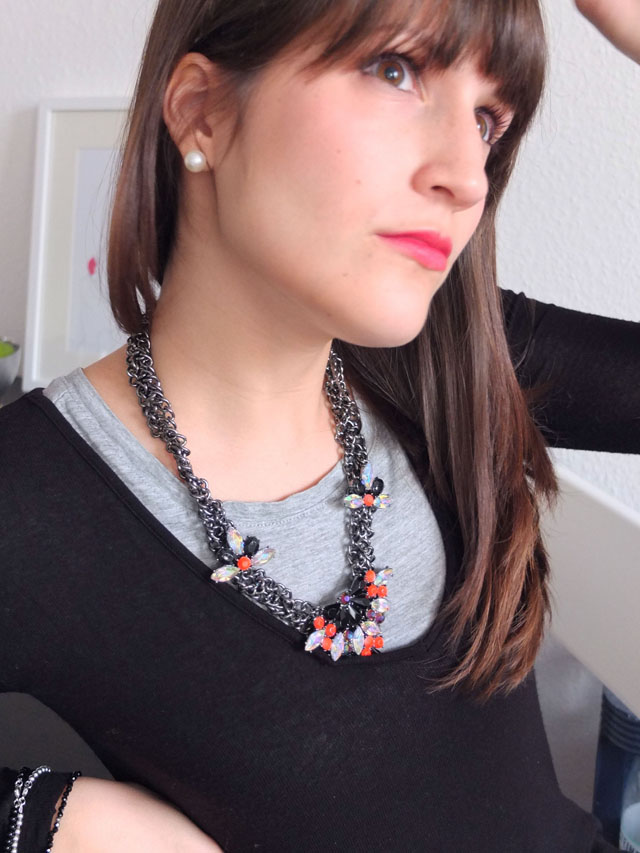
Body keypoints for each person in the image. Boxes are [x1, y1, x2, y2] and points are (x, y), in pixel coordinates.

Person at [1, 0, 638, 850]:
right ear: (202, 112)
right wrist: (55, 818)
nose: (467, 176)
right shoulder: (35, 500)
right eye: (396, 70)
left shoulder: (453, 367)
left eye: (488, 120)